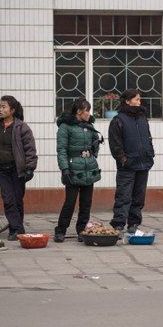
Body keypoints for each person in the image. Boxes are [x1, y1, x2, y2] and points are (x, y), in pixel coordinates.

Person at [0, 95, 37, 240]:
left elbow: (30, 149)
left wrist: (30, 168)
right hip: (2, 169)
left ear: (12, 110)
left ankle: (15, 228)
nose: (0, 109)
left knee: (17, 200)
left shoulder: (21, 127)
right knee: (8, 199)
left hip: (18, 170)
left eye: (3, 107)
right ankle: (18, 230)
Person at [54, 98, 103, 243]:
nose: (89, 113)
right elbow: (61, 149)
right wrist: (65, 169)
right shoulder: (65, 127)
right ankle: (60, 230)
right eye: (87, 110)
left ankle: (82, 230)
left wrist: (93, 155)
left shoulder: (89, 125)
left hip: (90, 168)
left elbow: (95, 144)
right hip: (73, 169)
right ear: (79, 111)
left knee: (86, 202)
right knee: (69, 202)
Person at [109, 89, 155, 233]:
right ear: (127, 101)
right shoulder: (118, 120)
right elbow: (115, 144)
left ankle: (133, 224)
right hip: (127, 165)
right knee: (123, 196)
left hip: (143, 163)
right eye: (136, 99)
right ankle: (119, 223)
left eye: (139, 99)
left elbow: (148, 138)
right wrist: (123, 159)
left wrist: (150, 154)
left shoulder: (142, 118)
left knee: (139, 198)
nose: (139, 102)